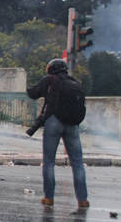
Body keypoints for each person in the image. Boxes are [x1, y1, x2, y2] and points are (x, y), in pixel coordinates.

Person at [28, 58, 89, 208]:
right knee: (78, 163)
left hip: (54, 122)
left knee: (49, 162)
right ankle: (82, 200)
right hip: (73, 125)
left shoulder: (50, 80)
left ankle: (49, 198)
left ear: (51, 69)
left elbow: (33, 93)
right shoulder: (74, 82)